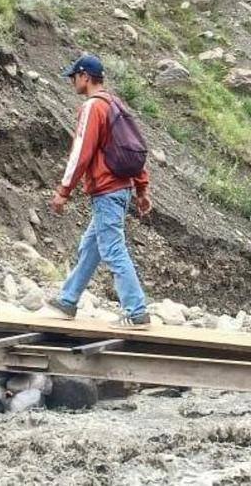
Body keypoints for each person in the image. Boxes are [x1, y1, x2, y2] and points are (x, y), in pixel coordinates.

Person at [44, 54, 154, 329]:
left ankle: (136, 310)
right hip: (121, 188)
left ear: (85, 76)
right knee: (91, 246)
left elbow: (81, 152)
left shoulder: (93, 107)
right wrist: (141, 189)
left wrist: (64, 190)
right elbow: (133, 148)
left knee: (112, 248)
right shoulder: (115, 103)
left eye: (74, 77)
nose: (72, 82)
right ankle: (68, 300)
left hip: (106, 189)